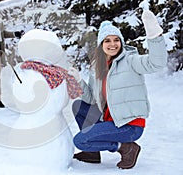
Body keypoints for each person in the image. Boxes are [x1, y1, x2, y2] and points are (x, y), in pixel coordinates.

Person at [68, 9, 167, 169]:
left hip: (129, 126)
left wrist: (154, 36)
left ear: (121, 42)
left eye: (116, 40)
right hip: (109, 121)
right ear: (101, 44)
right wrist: (78, 80)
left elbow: (156, 63)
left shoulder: (130, 60)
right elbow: (91, 100)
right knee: (79, 107)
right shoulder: (98, 67)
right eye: (107, 41)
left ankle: (126, 147)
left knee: (80, 140)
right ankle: (93, 153)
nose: (112, 44)